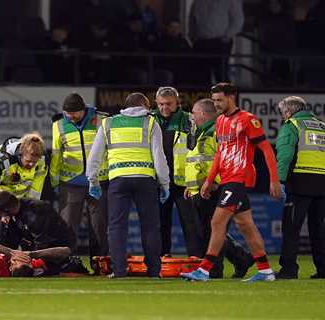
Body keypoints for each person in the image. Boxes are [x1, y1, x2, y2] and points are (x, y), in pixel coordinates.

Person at [181, 82, 282, 282]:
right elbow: (220, 152)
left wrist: (274, 179)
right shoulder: (220, 122)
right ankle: (265, 270)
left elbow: (267, 150)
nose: (216, 104)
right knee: (246, 225)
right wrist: (209, 180)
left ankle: (204, 270)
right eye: (214, 100)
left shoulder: (247, 120)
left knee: (217, 222)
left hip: (238, 178)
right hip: (226, 179)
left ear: (231, 97)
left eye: (220, 100)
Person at [87, 92, 170, 278]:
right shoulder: (150, 123)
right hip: (145, 180)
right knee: (150, 226)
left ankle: (119, 271)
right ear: (144, 106)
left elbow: (95, 156)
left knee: (116, 227)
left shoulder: (107, 123)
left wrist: (93, 181)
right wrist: (165, 183)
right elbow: (159, 157)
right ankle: (154, 271)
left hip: (118, 180)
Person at [184, 98, 254, 278]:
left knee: (213, 231)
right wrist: (190, 186)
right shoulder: (203, 132)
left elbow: (229, 159)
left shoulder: (217, 131)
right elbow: (198, 162)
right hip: (202, 190)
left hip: (216, 189)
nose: (191, 116)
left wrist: (217, 184)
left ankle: (214, 271)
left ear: (202, 113)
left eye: (193, 112)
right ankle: (242, 259)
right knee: (210, 231)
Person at [50, 93, 109, 272]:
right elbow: (56, 154)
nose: (71, 117)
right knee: (68, 226)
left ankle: (100, 263)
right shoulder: (58, 125)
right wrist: (54, 181)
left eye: (74, 113)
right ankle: (67, 263)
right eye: (67, 113)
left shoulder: (102, 120)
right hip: (70, 183)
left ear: (84, 110)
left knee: (99, 225)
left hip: (98, 181)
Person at [275, 96, 325, 279]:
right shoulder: (322, 126)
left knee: (291, 228)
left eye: (283, 113)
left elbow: (285, 155)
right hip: (322, 184)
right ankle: (323, 269)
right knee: (318, 229)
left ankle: (288, 269)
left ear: (289, 111)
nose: (283, 116)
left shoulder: (292, 125)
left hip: (301, 183)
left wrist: (279, 180)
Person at [153, 86, 202, 257]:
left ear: (177, 103)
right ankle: (161, 259)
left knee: (191, 224)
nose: (164, 108)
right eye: (161, 104)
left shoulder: (190, 121)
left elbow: (197, 151)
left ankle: (196, 260)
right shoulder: (151, 121)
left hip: (184, 183)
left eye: (168, 104)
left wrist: (194, 181)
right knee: (160, 224)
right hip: (159, 182)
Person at [0, 191, 72, 251]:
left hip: (59, 246)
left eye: (0, 213)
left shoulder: (35, 213)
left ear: (7, 209)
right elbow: (13, 242)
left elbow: (42, 244)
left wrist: (26, 258)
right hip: (40, 245)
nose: (0, 217)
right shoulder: (16, 211)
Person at [0, 132, 48, 200]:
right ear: (19, 155)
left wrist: (31, 205)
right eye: (28, 161)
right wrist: (0, 207)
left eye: (34, 162)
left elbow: (36, 189)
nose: (31, 164)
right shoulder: (1, 162)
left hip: (12, 194)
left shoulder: (41, 161)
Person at [188, 0, 244, 84]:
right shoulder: (197, 2)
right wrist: (193, 36)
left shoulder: (230, 1)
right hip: (201, 42)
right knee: (201, 74)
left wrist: (228, 35)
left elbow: (238, 19)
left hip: (221, 42)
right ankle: (203, 96)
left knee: (221, 73)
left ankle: (226, 96)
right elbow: (192, 20)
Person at [0, 236, 71, 277]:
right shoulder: (32, 263)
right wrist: (33, 254)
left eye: (18, 259)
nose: (21, 256)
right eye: (25, 259)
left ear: (11, 267)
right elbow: (66, 251)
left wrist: (10, 252)